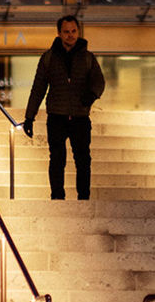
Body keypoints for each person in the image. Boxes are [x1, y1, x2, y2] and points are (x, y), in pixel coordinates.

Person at [21, 15, 106, 200]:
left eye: (73, 31)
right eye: (66, 32)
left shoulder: (88, 58)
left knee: (83, 159)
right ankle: (57, 198)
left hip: (80, 116)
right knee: (57, 159)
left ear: (78, 32)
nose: (70, 35)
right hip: (56, 116)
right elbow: (38, 88)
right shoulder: (48, 58)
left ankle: (84, 198)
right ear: (59, 33)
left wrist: (91, 96)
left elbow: (99, 81)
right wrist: (29, 117)